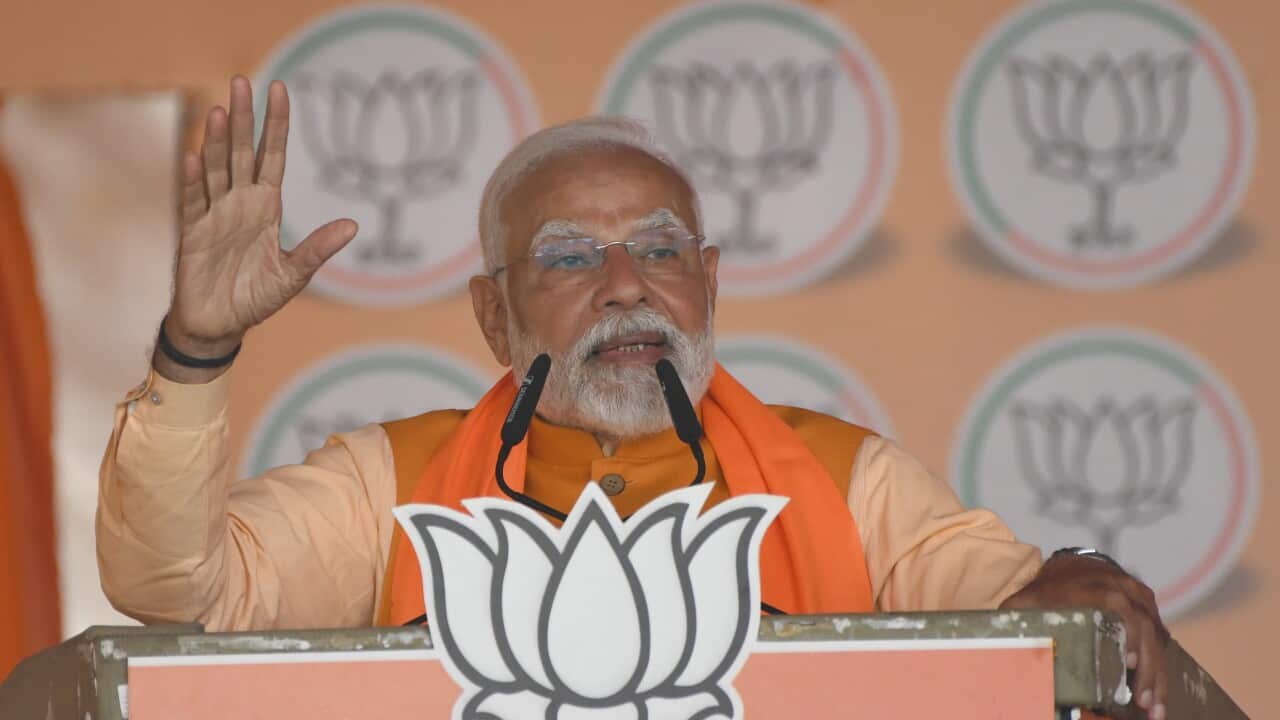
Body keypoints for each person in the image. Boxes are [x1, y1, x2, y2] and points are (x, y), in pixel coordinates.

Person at [97, 76, 1169, 718]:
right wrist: (197, 346)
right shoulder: (392, 484)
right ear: (490, 314)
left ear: (705, 283)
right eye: (568, 258)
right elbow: (179, 593)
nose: (625, 286)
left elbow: (1019, 614)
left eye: (659, 249)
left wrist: (1076, 584)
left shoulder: (841, 479)